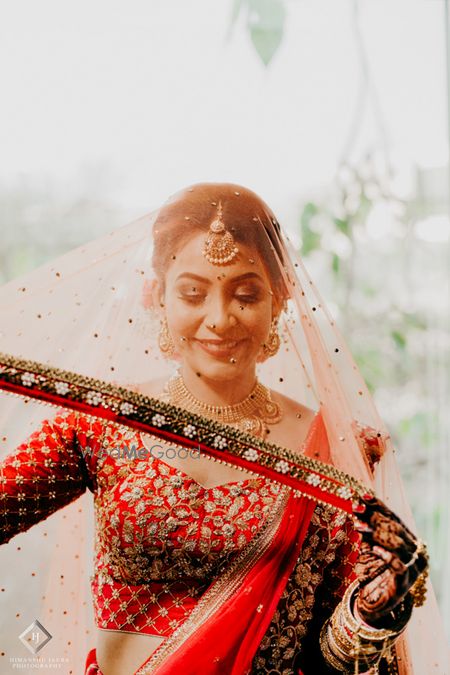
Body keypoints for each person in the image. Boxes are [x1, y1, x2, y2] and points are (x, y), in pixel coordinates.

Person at [0, 183, 446, 674]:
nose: (219, 319)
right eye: (193, 293)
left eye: (246, 294)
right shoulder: (104, 422)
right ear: (158, 296)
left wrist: (369, 612)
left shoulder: (334, 447)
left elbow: (333, 658)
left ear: (279, 300)